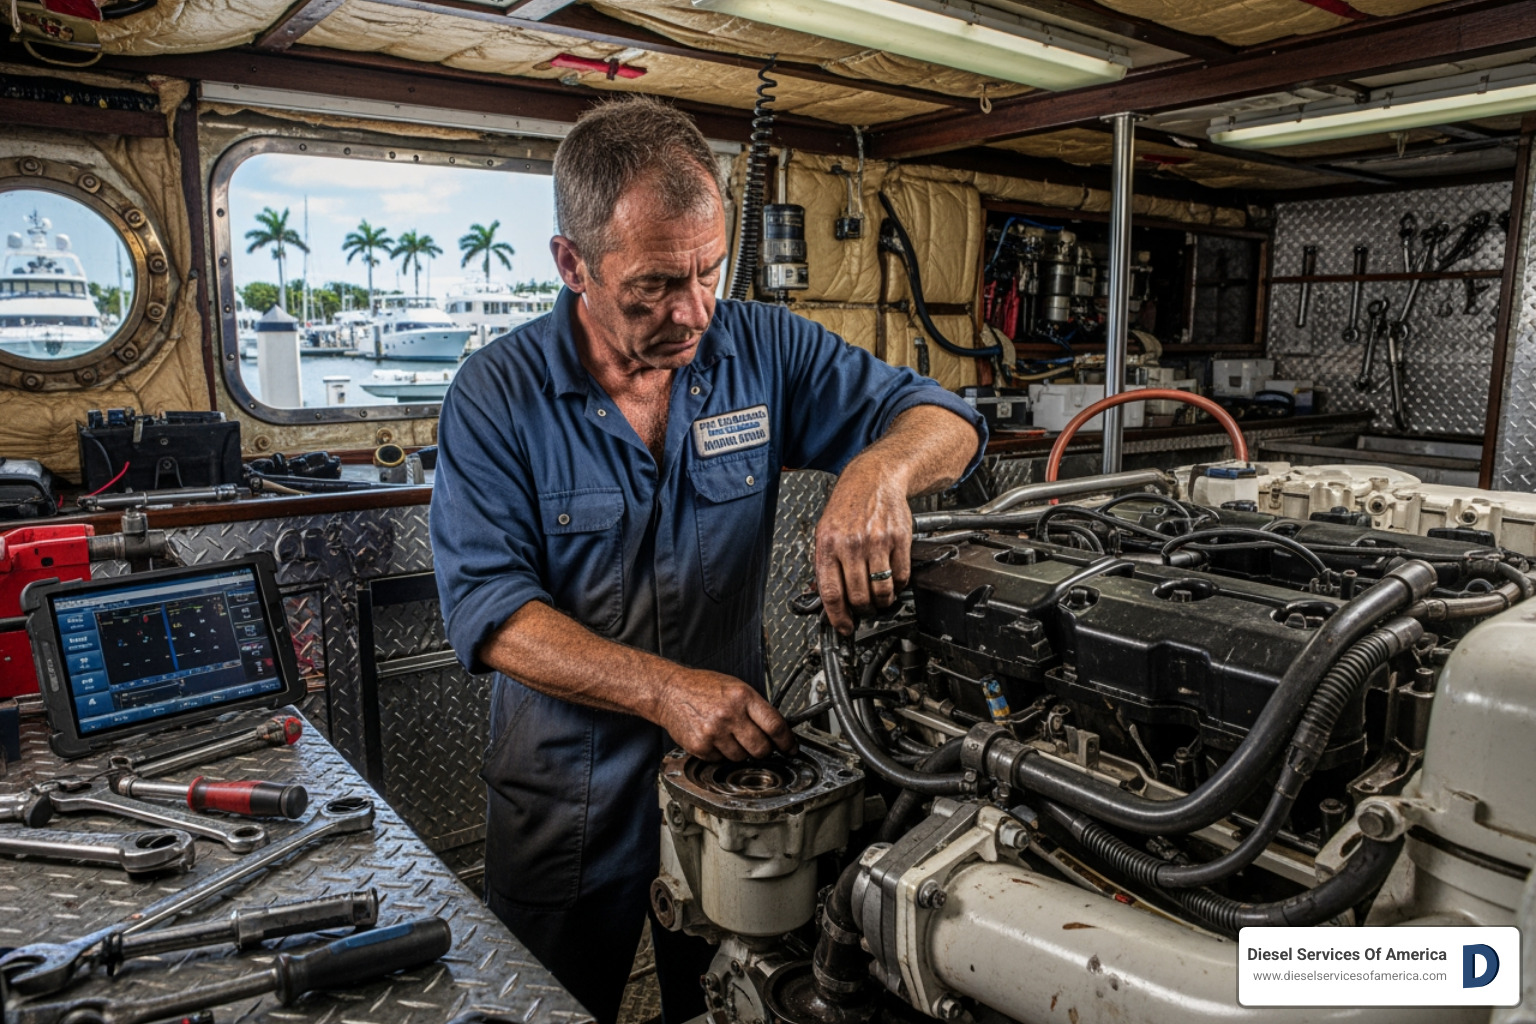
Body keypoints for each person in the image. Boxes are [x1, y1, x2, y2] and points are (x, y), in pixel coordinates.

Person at [431, 95, 986, 1024]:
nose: (691, 313)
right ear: (572, 264)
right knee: (548, 1009)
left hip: (739, 786)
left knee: (741, 1001)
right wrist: (665, 690)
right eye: (652, 285)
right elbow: (489, 612)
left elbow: (948, 418)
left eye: (709, 271)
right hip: (563, 804)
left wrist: (878, 472)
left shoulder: (761, 348)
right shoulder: (495, 393)